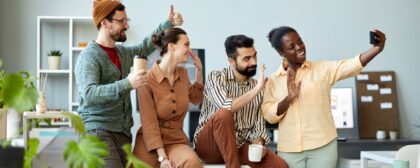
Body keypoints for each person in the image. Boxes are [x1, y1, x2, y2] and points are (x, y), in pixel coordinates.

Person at [75, 0, 183, 167]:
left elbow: (145, 46)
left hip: (122, 134)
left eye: (127, 20)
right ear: (104, 23)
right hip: (97, 131)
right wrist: (128, 83)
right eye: (121, 21)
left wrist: (168, 23)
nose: (126, 26)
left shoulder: (122, 53)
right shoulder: (89, 56)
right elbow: (89, 94)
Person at [261, 26, 386, 168]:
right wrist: (288, 99)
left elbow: (351, 65)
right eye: (292, 46)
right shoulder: (272, 81)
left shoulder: (322, 69)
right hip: (289, 150)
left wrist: (376, 49)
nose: (300, 47)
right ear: (281, 53)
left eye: (300, 41)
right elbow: (269, 115)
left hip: (323, 147)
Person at [193, 35, 289, 168]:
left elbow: (258, 126)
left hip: (238, 145)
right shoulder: (216, 77)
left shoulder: (258, 86)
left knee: (279, 165)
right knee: (223, 114)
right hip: (209, 147)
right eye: (247, 59)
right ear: (231, 61)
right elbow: (226, 106)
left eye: (254, 56)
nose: (254, 62)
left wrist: (258, 143)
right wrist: (257, 90)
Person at [133, 27, 204, 168]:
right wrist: (162, 158)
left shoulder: (183, 74)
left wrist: (199, 71)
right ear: (171, 46)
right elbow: (149, 124)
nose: (190, 50)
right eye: (186, 44)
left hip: (176, 141)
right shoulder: (145, 79)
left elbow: (196, 99)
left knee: (192, 162)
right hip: (150, 144)